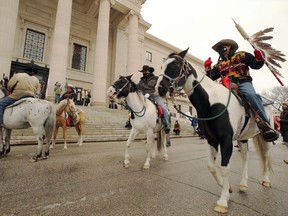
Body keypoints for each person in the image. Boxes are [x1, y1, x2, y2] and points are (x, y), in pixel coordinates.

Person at [204, 39, 278, 142]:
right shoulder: (219, 65)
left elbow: (256, 65)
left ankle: (265, 125)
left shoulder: (242, 55)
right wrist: (208, 69)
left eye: (222, 46)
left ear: (229, 46)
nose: (220, 49)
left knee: (251, 95)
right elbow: (210, 78)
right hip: (226, 86)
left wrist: (259, 58)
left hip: (243, 83)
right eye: (218, 48)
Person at [137, 65, 170, 133]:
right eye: (143, 71)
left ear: (149, 71)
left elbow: (162, 87)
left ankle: (166, 124)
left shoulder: (156, 78)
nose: (144, 73)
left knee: (163, 108)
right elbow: (138, 88)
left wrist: (158, 93)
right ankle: (131, 121)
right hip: (144, 97)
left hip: (155, 96)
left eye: (146, 71)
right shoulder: (141, 81)